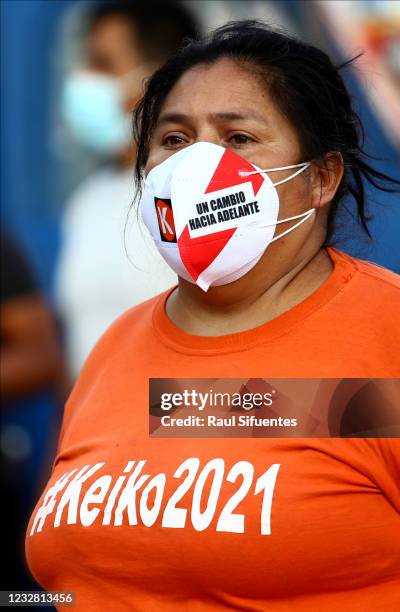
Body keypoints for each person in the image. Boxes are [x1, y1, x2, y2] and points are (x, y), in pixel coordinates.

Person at [26, 21, 400, 611]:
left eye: (239, 137)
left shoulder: (387, 336)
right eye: (175, 140)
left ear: (321, 178)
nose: (199, 165)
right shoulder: (115, 350)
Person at [56, 0, 198, 379]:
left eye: (102, 64)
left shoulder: (202, 193)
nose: (84, 80)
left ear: (155, 79)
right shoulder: (87, 202)